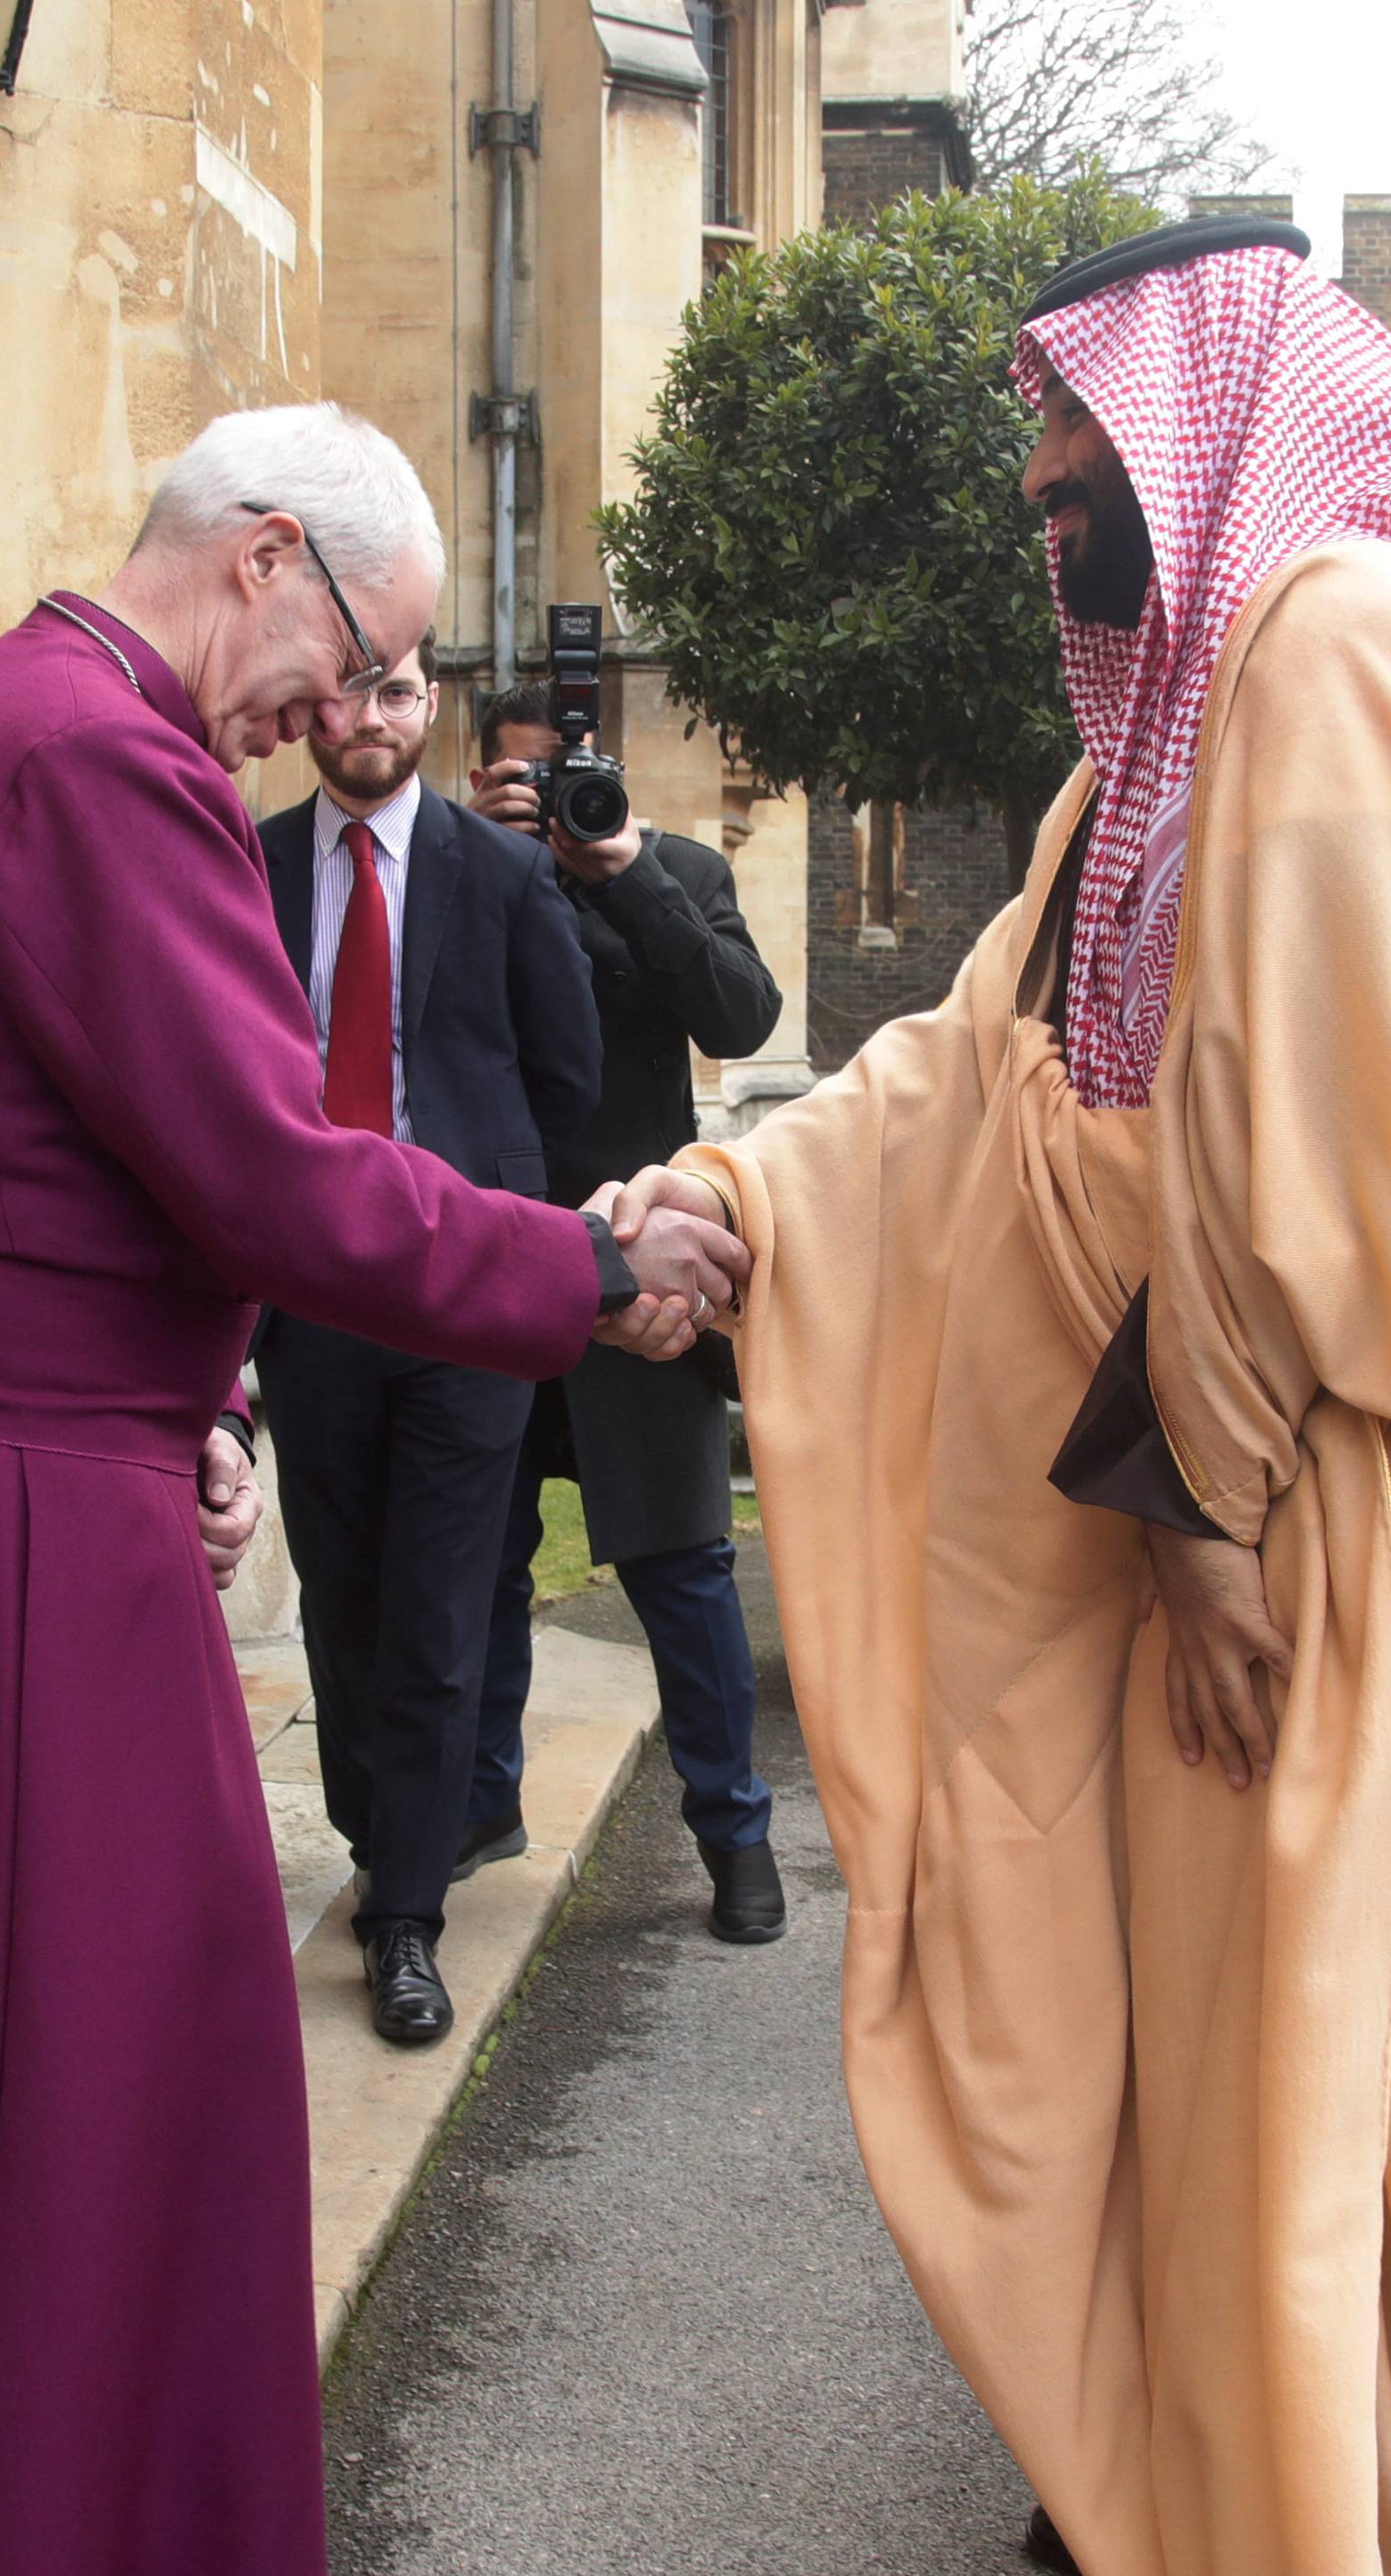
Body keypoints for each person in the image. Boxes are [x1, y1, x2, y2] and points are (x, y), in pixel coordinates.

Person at [0, 401, 746, 2576]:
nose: (345, 716)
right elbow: (280, 1175)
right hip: (4, 1524)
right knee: (135, 2054)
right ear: (270, 555)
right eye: (358, 654)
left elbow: (59, 1175)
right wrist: (588, 1263)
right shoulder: (102, 756)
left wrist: (167, 1395)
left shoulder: (25, 717)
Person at [612, 217, 1391, 2576]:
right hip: (1196, 1540)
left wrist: (1204, 1504)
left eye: (1060, 420)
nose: (1029, 472)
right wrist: (729, 1207)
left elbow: (1344, 1170)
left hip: (1294, 1558)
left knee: (1323, 2120)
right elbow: (977, 1087)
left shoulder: (1334, 651)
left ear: (1190, 407)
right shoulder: (1153, 752)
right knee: (1210, 2106)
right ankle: (1214, 2557)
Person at [254, 632, 601, 2046]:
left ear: (428, 708)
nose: (368, 716)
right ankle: (378, 1827)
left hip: (463, 1297)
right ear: (308, 712)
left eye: (395, 690)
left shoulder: (506, 873)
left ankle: (407, 1913)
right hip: (315, 1291)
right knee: (342, 1592)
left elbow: (565, 1079)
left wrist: (510, 1232)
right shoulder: (252, 865)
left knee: (447, 1603)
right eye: (344, 691)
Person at [465, 683, 787, 1945]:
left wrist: (623, 870)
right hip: (488, 1262)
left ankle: (739, 1841)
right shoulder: (453, 875)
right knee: (473, 1564)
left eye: (569, 773)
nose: (552, 799)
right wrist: (492, 861)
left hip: (644, 1263)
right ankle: (480, 1805)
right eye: (524, 781)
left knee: (684, 1567)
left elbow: (740, 1015)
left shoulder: (679, 869)